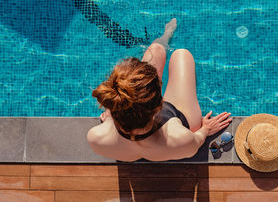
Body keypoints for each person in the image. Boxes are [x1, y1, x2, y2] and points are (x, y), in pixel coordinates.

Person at [87, 18, 232, 161]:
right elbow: (197, 140)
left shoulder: (97, 138)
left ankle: (165, 36)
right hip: (182, 125)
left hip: (124, 143)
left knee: (155, 50)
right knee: (181, 55)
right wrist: (205, 129)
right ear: (159, 104)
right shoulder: (180, 139)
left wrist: (109, 122)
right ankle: (166, 36)